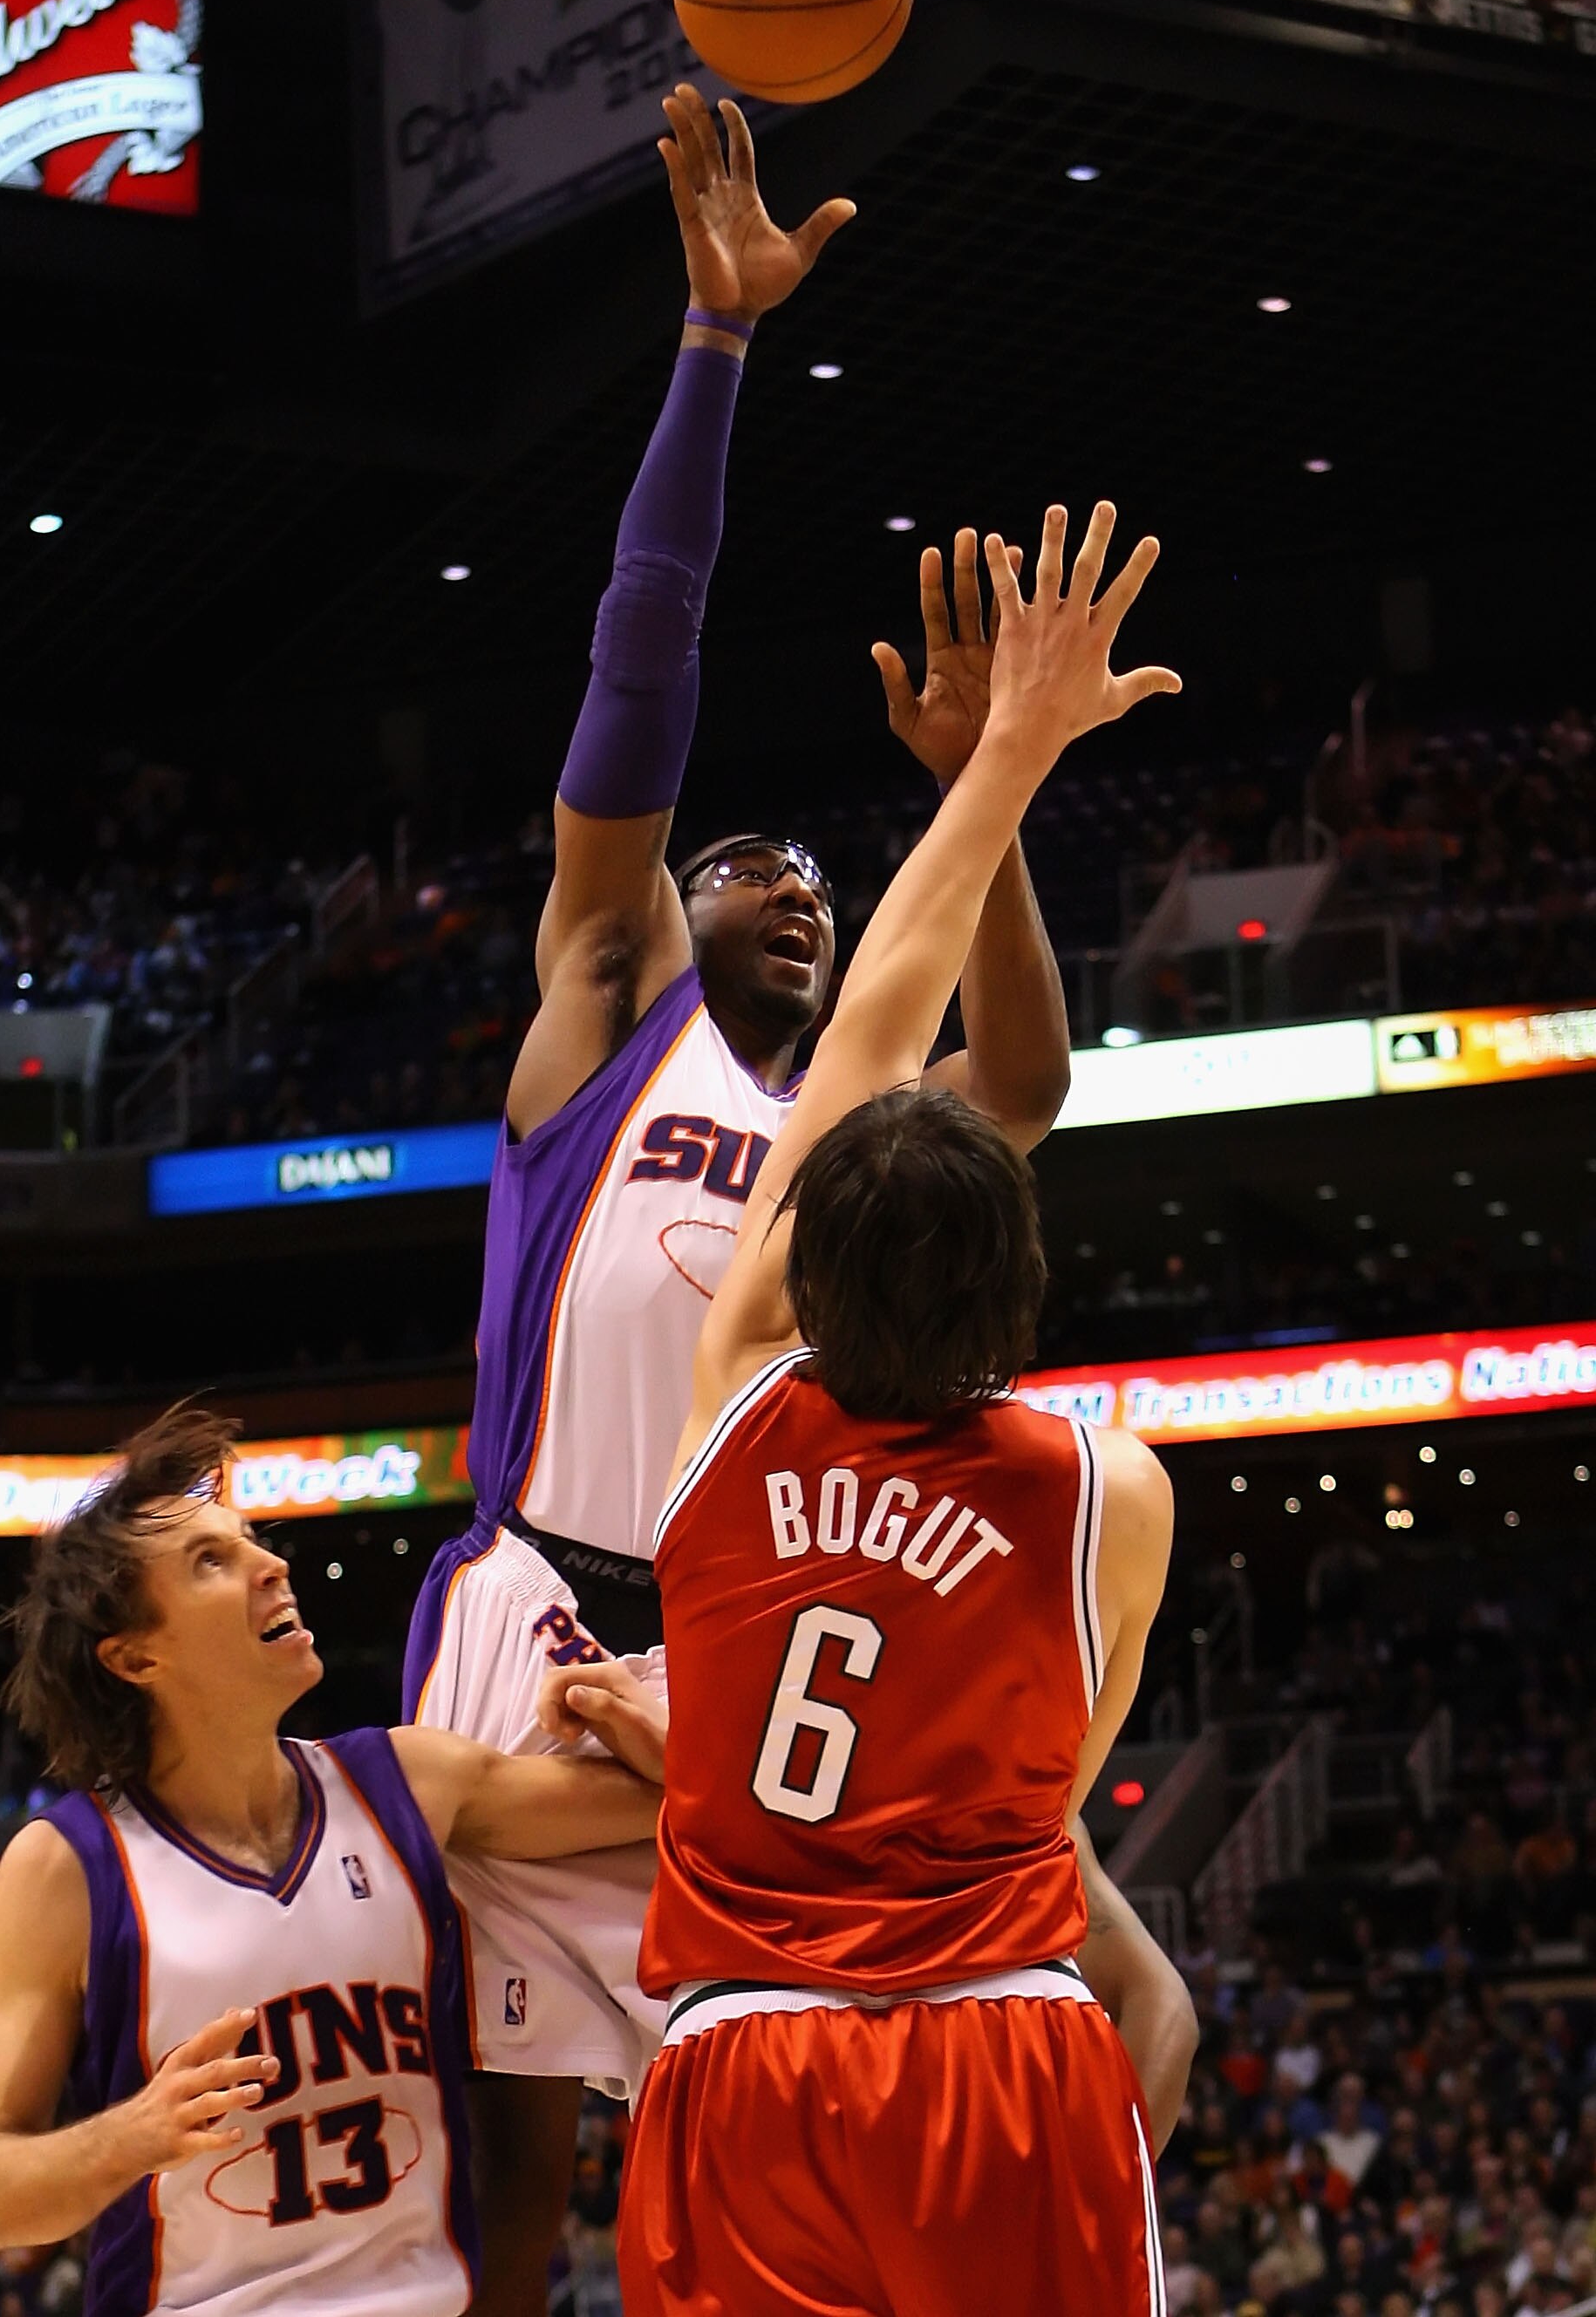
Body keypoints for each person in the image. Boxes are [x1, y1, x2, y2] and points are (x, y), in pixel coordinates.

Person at [401, 85, 1078, 2309]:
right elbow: (638, 668)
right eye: (745, 864)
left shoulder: (852, 1154)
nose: (791, 885)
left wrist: (984, 805)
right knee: (509, 2184)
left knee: (1072, 2027)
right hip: (539, 1603)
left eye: (818, 875)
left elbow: (1021, 1082)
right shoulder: (606, 1014)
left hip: (745, 1639)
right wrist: (713, 344)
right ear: (662, 908)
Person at [543, 499, 1187, 2313]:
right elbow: (1052, 1786)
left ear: (803, 1262)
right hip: (998, 2047)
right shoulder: (1106, 1488)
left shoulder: (736, 1397)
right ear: (1020, 1284)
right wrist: (1016, 750)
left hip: (745, 2056)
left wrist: (1002, 761)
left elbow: (879, 1018)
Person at [0, 1410, 659, 2317]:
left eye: (249, 1541)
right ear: (135, 1656)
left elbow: (672, 1804)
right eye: (210, 1561)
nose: (270, 1565)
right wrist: (136, 2134)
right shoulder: (68, 1868)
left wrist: (622, 1718)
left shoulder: (409, 1783)